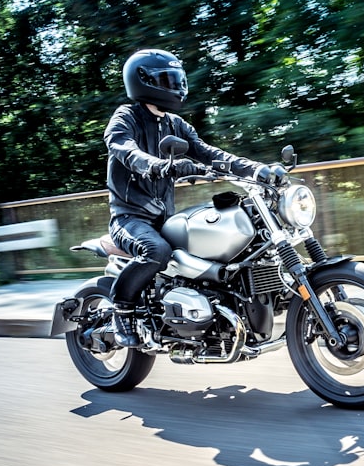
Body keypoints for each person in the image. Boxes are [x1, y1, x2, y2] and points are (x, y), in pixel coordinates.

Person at [104, 48, 283, 348]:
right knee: (155, 252)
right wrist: (159, 165)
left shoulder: (176, 125)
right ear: (144, 81)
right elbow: (124, 149)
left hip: (166, 218)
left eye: (176, 79)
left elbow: (209, 154)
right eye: (166, 79)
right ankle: (120, 310)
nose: (174, 86)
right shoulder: (126, 117)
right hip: (130, 219)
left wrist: (257, 170)